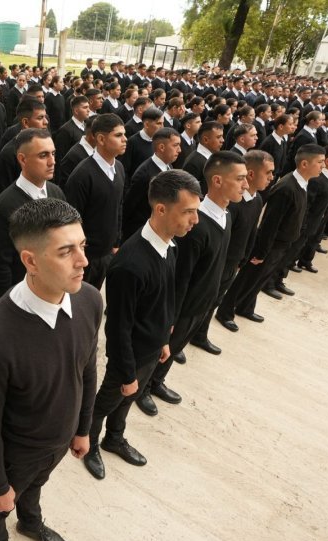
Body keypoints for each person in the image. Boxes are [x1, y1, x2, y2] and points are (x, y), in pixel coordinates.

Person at [0, 198, 103, 541]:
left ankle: (30, 522)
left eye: (82, 246)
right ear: (30, 260)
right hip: (18, 449)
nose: (83, 261)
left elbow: (87, 367)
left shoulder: (89, 300)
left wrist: (83, 429)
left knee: (37, 484)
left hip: (60, 440)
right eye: (66, 251)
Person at [84, 170, 200, 479]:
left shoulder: (169, 246)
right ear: (161, 209)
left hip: (151, 348)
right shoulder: (130, 265)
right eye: (188, 212)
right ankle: (90, 442)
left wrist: (163, 339)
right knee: (107, 401)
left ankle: (114, 437)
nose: (195, 220)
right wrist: (126, 373)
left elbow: (163, 299)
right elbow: (117, 328)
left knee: (129, 398)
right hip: (130, 355)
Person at [139, 151, 248, 414]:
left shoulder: (226, 215)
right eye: (240, 178)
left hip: (203, 302)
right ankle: (143, 388)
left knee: (177, 347)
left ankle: (157, 381)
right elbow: (180, 277)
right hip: (184, 306)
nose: (246, 184)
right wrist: (171, 317)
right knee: (164, 348)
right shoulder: (195, 226)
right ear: (218, 180)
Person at [216, 144, 325, 325]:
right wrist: (261, 251)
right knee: (248, 280)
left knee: (259, 280)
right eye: (320, 162)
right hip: (271, 244)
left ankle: (246, 307)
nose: (323, 166)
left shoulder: (299, 185)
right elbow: (269, 224)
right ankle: (226, 311)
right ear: (305, 163)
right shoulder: (286, 187)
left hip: (282, 244)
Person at [196, 150, 273, 340]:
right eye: (268, 172)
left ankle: (200, 334)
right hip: (221, 262)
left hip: (234, 262)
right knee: (203, 301)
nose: (272, 177)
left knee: (215, 300)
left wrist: (243, 259)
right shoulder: (233, 203)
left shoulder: (257, 200)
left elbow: (251, 232)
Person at [0, 129, 66, 301]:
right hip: (23, 298)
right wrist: (8, 306)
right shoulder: (5, 207)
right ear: (22, 159)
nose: (52, 161)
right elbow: (0, 267)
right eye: (43, 155)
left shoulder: (56, 193)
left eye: (53, 154)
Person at [64, 113, 127, 289]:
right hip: (86, 256)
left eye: (124, 134)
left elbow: (118, 206)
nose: (124, 139)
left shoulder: (119, 168)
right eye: (118, 135)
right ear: (101, 139)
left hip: (107, 253)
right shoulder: (82, 175)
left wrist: (116, 242)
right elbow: (72, 221)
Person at [121, 127, 181, 241]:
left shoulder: (168, 165)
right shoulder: (145, 174)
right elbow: (128, 207)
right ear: (161, 147)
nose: (179, 150)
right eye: (175, 145)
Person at [295, 143, 328, 274]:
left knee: (314, 238)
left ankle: (305, 260)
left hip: (320, 216)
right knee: (298, 246)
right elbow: (309, 204)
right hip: (309, 221)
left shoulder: (326, 177)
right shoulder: (317, 180)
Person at [182, 120, 224, 195]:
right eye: (218, 137)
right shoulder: (194, 163)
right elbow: (189, 193)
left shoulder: (212, 157)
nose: (222, 140)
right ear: (205, 140)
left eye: (222, 136)